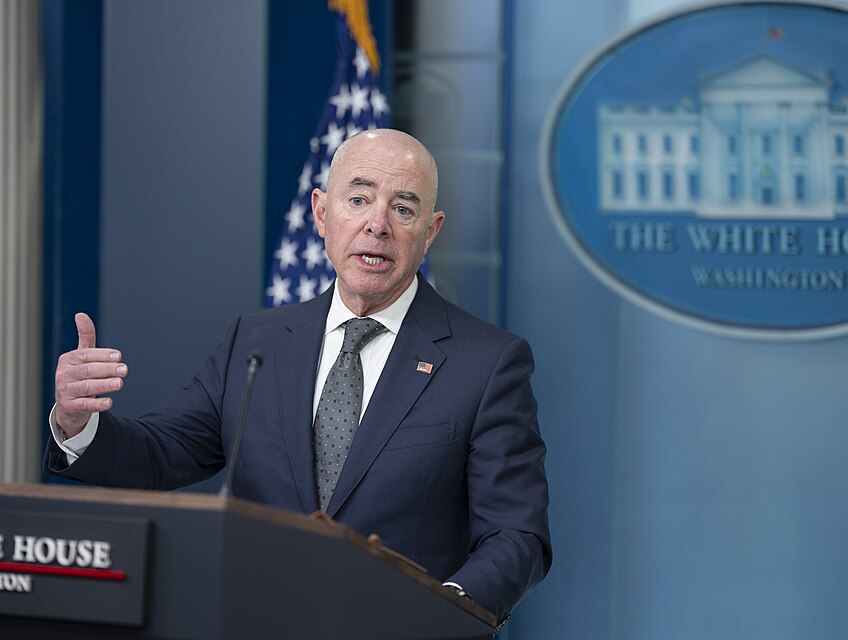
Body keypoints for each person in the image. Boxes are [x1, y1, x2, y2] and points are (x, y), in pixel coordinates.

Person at [45, 129, 551, 623]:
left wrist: (444, 613)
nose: (377, 225)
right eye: (358, 200)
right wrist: (77, 423)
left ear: (431, 231)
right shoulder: (255, 343)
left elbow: (516, 535)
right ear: (322, 213)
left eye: (403, 209)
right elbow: (158, 453)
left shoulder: (486, 364)